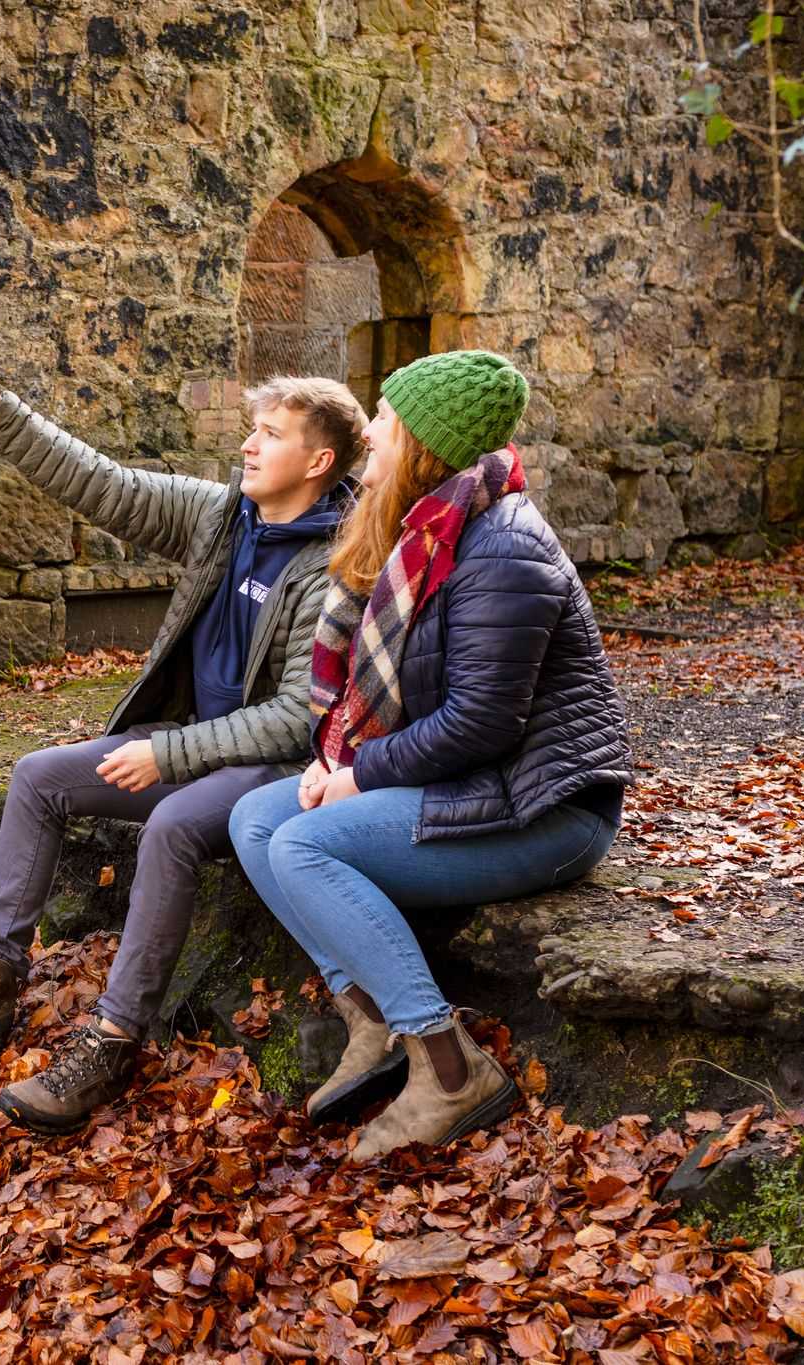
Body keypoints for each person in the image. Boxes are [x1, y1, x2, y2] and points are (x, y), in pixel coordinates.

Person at [0, 342, 365, 1135]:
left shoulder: (334, 566)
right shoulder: (221, 515)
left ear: (319, 459)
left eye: (270, 433)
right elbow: (103, 484)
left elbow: (294, 717)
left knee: (170, 827)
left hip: (274, 767)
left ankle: (111, 1039)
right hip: (199, 742)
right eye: (253, 430)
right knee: (39, 774)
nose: (248, 443)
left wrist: (165, 752)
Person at [226, 349, 631, 1163]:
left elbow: (482, 721)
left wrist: (359, 775)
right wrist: (335, 755)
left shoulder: (503, 547)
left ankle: (448, 1066)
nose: (370, 430)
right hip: (472, 783)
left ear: (424, 442)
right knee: (254, 817)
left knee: (303, 844)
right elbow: (390, 692)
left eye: (387, 417)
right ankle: (370, 1018)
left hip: (546, 809)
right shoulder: (431, 528)